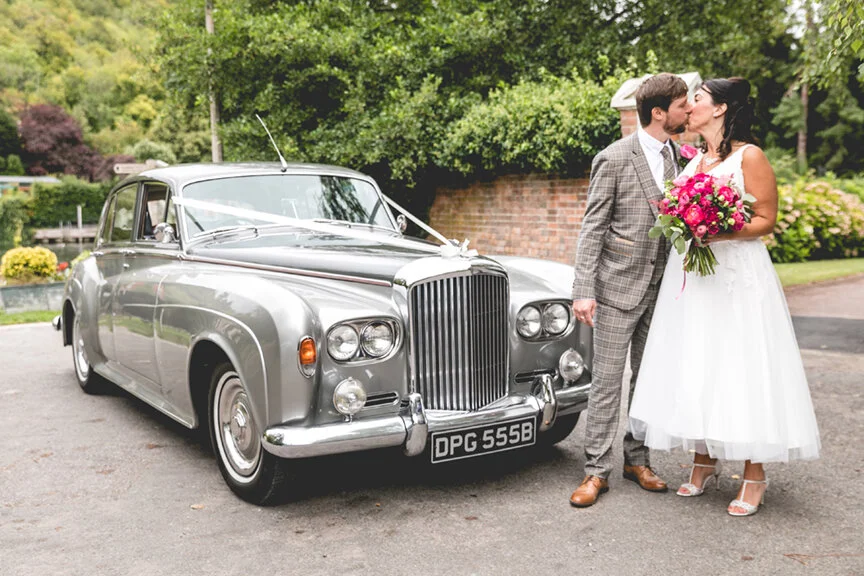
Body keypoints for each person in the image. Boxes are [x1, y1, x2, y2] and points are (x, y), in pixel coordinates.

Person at [628, 77, 821, 516]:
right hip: (696, 281)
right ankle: (704, 460)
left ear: (719, 109)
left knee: (741, 365)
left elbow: (766, 219)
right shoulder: (694, 159)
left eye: (696, 100)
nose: (688, 107)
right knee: (698, 361)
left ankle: (754, 473)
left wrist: (717, 231)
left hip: (737, 277)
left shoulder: (749, 156)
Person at [569, 73, 692, 507]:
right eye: (682, 105)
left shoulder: (682, 157)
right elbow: (593, 227)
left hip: (662, 290)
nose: (689, 110)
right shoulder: (614, 157)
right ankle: (595, 470)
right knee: (606, 381)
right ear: (659, 112)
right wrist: (583, 289)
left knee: (647, 379)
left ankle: (637, 459)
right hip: (617, 286)